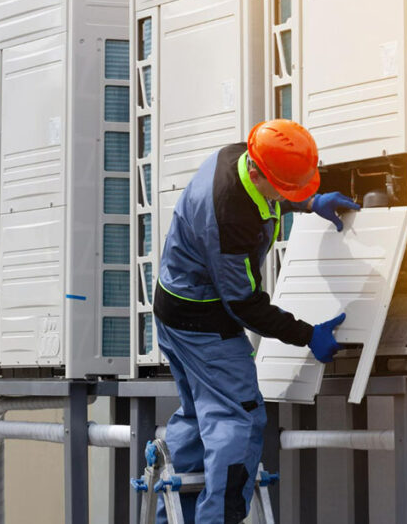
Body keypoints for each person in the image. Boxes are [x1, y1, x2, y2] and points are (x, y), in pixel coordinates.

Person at [153, 119, 361, 523]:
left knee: (199, 416)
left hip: (175, 307)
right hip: (202, 320)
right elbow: (244, 304)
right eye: (288, 190)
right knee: (239, 418)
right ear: (258, 172)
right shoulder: (229, 217)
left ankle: (173, 516)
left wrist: (307, 201)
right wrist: (307, 334)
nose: (290, 195)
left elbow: (266, 195)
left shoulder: (241, 156)